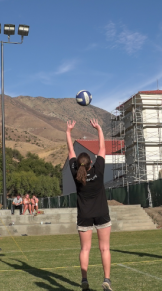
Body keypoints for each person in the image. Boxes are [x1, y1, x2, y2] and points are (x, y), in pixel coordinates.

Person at [67, 119, 112, 291]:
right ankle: (106, 280)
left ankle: (84, 280)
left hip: (84, 215)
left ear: (78, 165)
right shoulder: (98, 171)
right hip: (101, 213)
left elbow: (71, 151)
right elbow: (102, 148)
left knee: (85, 249)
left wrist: (68, 131)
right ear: (91, 163)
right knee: (104, 248)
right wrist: (99, 128)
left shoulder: (75, 174)